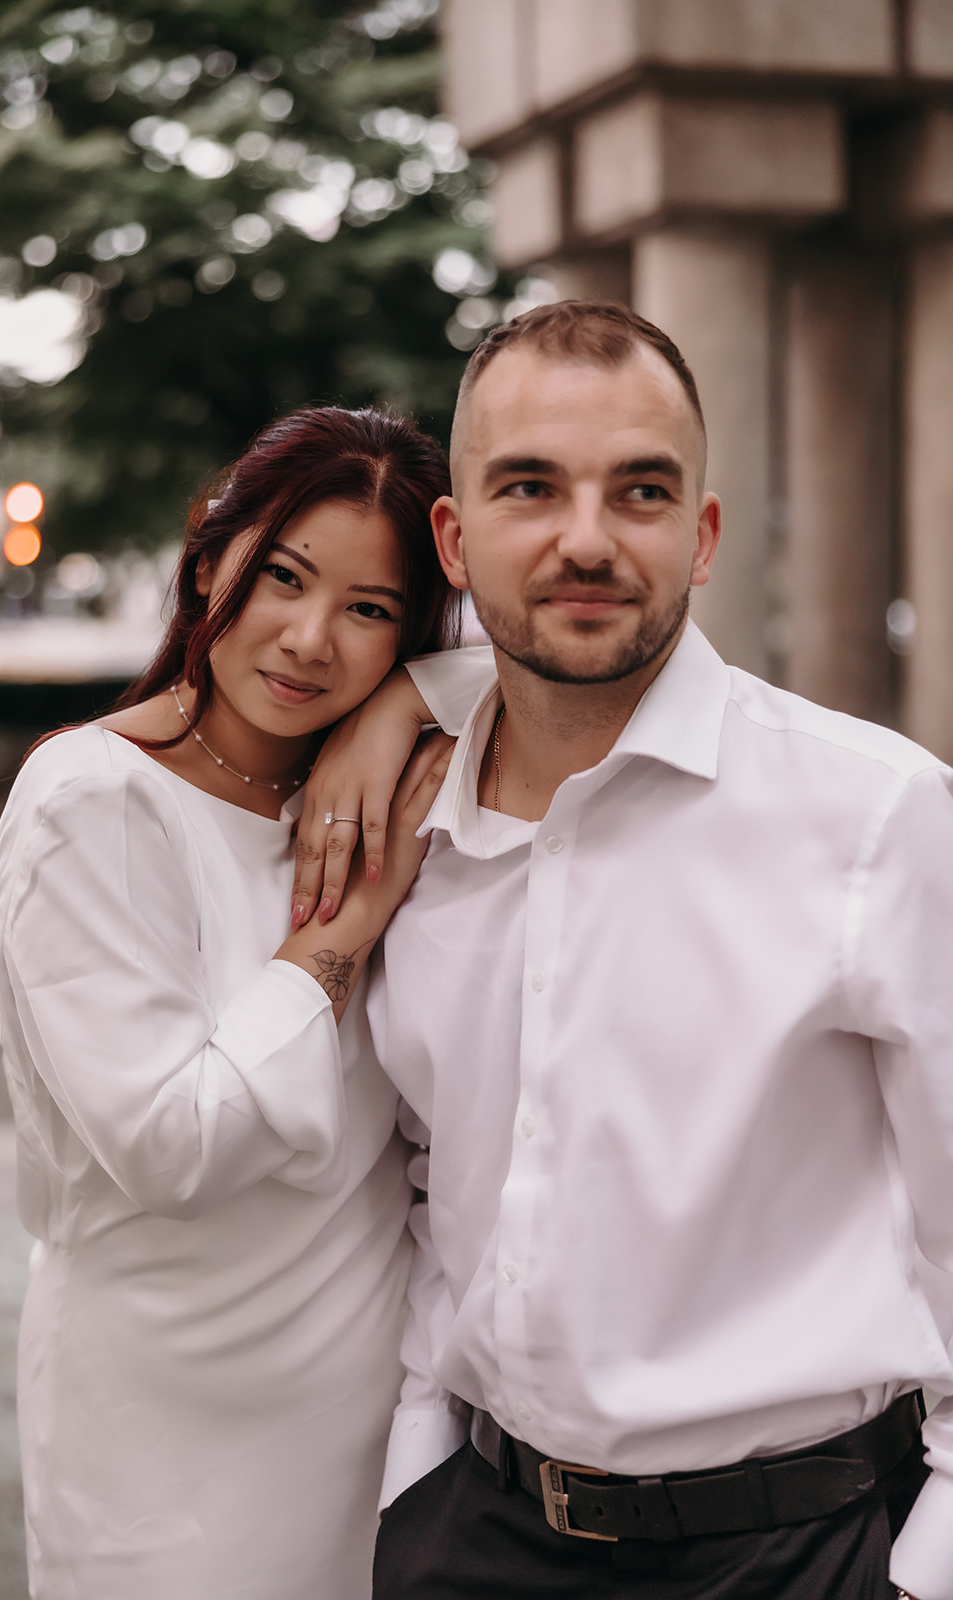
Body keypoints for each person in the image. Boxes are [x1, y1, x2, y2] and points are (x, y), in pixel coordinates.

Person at [305, 302, 952, 1600]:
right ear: (455, 535)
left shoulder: (875, 818)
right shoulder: (402, 831)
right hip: (471, 1536)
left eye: (639, 491)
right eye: (527, 488)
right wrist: (413, 1481)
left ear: (700, 537)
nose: (584, 540)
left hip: (801, 1554)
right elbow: (432, 1182)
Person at [0, 405, 461, 1600]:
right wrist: (342, 932)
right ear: (208, 565)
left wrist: (402, 705)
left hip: (371, 1414)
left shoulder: (368, 788)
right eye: (283, 578)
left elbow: (585, 651)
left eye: (369, 610)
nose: (309, 640)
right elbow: (170, 1145)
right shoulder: (90, 800)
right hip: (160, 1415)